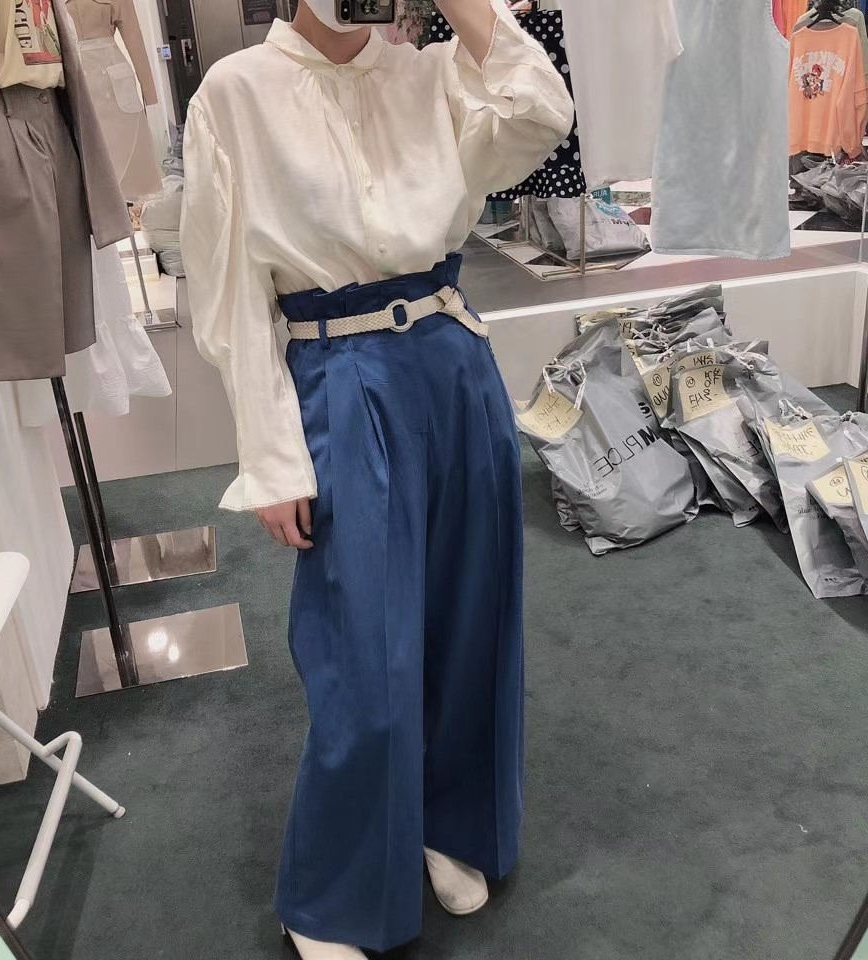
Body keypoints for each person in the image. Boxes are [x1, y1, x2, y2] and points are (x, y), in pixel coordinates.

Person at [180, 1, 573, 956]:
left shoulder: (431, 73)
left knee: (472, 620)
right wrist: (272, 456)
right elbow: (228, 295)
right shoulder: (235, 92)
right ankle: (334, 891)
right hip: (338, 373)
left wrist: (462, 8)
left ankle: (451, 822)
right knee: (363, 649)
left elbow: (542, 114)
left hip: (453, 361)